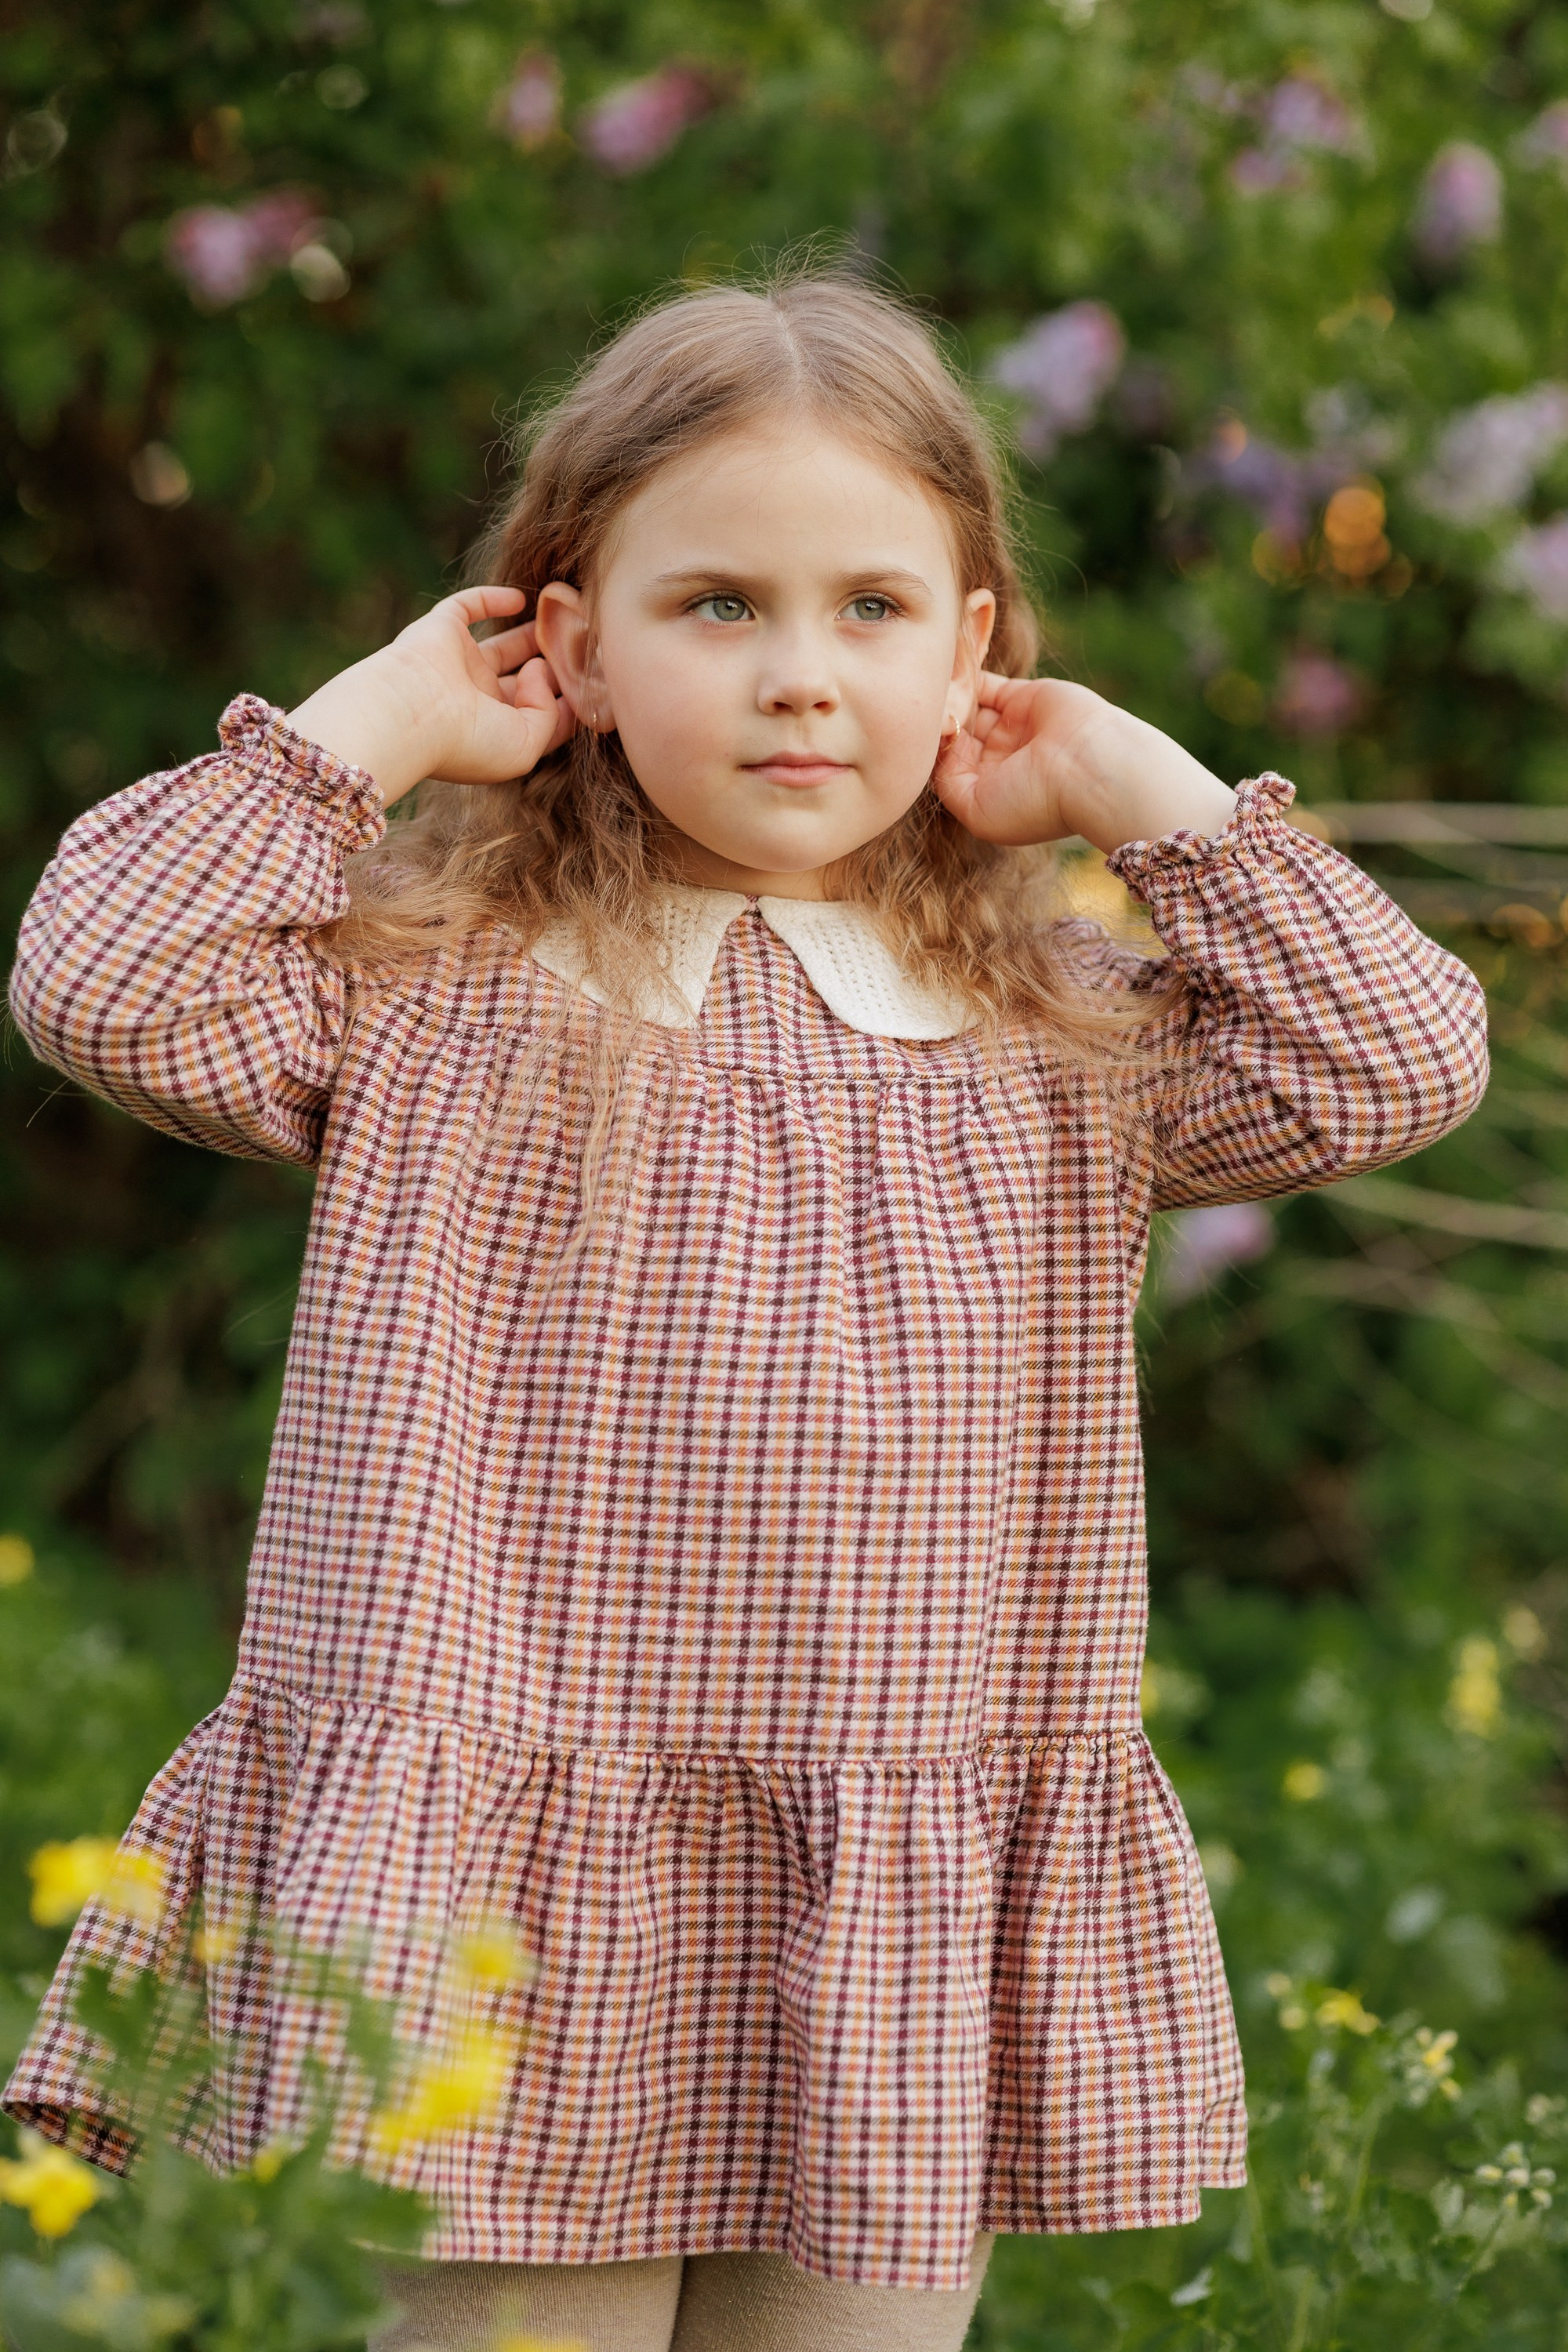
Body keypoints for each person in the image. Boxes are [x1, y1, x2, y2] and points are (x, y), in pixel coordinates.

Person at [3, 270, 1488, 2352]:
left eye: (873, 609)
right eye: (718, 607)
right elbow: (102, 977)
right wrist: (379, 721)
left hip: (884, 1879)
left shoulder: (1054, 1034)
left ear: (973, 649)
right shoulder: (430, 993)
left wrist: (1138, 783)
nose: (802, 679)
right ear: (573, 638)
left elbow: (1398, 1058)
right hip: (514, 1887)